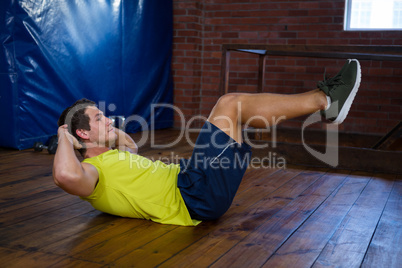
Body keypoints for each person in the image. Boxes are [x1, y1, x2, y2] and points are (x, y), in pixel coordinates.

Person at [53, 59, 361, 226]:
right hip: (193, 194)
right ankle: (325, 99)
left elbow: (128, 144)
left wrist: (101, 128)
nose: (108, 119)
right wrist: (63, 136)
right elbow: (67, 175)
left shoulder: (113, 157)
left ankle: (325, 103)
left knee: (237, 114)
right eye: (98, 119)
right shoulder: (92, 174)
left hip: (193, 184)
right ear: (79, 134)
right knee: (230, 104)